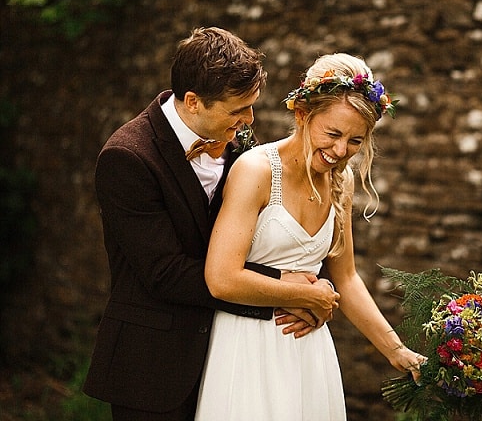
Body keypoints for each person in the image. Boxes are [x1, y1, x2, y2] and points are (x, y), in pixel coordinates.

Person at [83, 27, 337, 421]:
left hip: (231, 360)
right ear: (193, 101)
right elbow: (164, 273)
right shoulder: (127, 158)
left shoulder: (239, 144)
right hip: (155, 366)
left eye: (251, 106)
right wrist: (282, 289)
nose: (249, 119)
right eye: (237, 110)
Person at [194, 53, 425, 420]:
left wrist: (396, 350)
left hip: (309, 354)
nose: (339, 151)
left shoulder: (342, 180)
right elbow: (221, 278)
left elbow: (345, 278)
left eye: (354, 141)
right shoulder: (256, 170)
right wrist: (308, 294)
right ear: (302, 114)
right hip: (248, 348)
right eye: (332, 134)